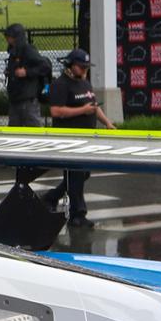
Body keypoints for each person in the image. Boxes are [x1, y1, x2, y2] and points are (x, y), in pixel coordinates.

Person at [43, 49, 115, 228]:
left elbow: (94, 106)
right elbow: (56, 111)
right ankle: (78, 214)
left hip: (86, 138)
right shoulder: (60, 85)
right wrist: (82, 111)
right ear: (70, 66)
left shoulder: (85, 84)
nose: (84, 71)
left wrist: (107, 123)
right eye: (81, 67)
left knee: (83, 174)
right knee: (75, 175)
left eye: (86, 68)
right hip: (69, 137)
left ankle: (51, 197)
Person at [3, 23, 50, 126]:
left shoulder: (27, 50)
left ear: (16, 37)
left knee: (32, 127)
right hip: (15, 98)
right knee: (14, 129)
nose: (7, 39)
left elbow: (45, 66)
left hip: (27, 98)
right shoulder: (13, 52)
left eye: (9, 36)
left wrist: (27, 72)